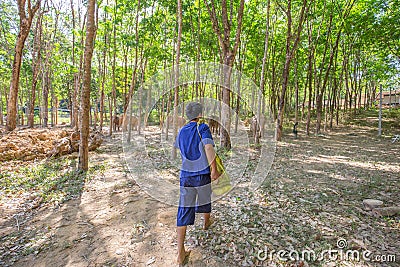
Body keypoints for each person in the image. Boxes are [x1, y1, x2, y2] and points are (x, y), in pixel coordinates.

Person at [174, 102, 220, 265]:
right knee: (205, 199)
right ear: (200, 114)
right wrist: (213, 169)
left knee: (184, 209)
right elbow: (208, 148)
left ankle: (180, 253)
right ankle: (206, 223)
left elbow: (180, 149)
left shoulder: (181, 131)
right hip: (201, 174)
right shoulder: (203, 128)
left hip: (186, 175)